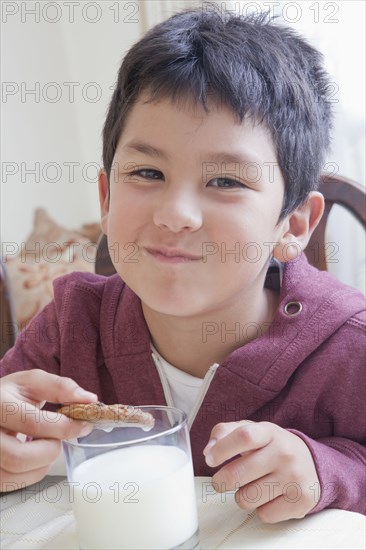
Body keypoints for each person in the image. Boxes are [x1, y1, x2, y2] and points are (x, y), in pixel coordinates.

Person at [0, 6, 365, 524]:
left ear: (295, 225)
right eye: (147, 172)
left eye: (226, 182)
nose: (175, 215)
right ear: (105, 199)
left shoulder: (350, 347)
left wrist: (328, 469)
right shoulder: (70, 325)